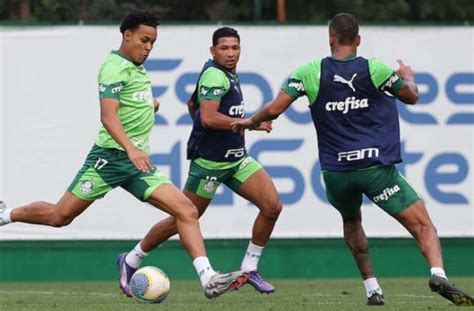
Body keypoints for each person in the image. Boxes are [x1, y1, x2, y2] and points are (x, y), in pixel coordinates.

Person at [0, 10, 249, 300]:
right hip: (109, 159)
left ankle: (208, 278)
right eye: (144, 40)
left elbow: (129, 104)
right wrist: (130, 148)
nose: (148, 47)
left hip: (136, 164)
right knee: (59, 216)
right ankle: (6, 215)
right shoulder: (113, 67)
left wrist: (148, 107)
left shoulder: (136, 68)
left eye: (153, 42)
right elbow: (108, 116)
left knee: (187, 210)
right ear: (126, 34)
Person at [231, 13, 474, 307]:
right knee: (424, 227)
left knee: (351, 219)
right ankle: (437, 273)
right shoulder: (376, 69)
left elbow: (274, 109)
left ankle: (372, 287)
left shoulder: (309, 70)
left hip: (336, 174)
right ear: (358, 40)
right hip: (375, 170)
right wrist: (408, 76)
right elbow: (411, 97)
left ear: (330, 39)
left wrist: (251, 122)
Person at [116, 26, 282, 296]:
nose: (230, 53)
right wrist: (249, 123)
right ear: (213, 51)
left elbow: (193, 104)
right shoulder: (215, 75)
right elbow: (207, 117)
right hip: (210, 166)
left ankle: (250, 267)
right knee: (180, 218)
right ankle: (132, 259)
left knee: (272, 206)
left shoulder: (227, 74)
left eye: (235, 47)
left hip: (237, 160)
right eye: (224, 48)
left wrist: (235, 127)